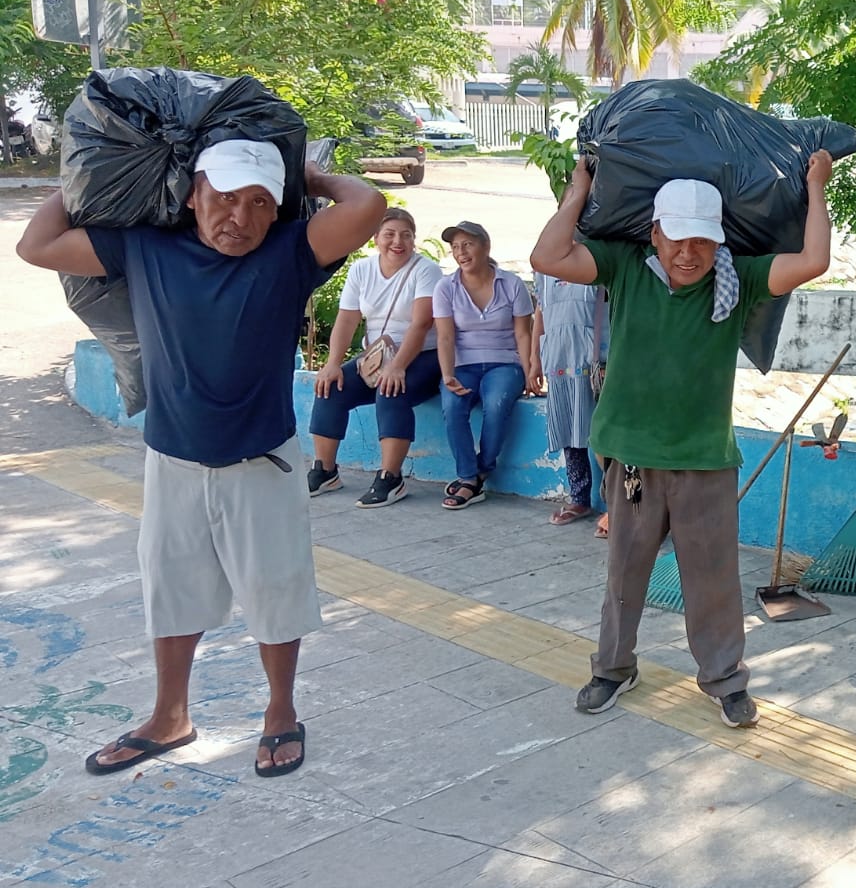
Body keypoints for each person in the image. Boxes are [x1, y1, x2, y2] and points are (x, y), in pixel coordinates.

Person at [16, 138, 386, 778]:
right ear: (193, 195)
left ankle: (279, 713)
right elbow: (36, 245)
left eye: (258, 203)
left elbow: (369, 203)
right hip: (173, 461)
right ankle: (171, 716)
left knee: (275, 590)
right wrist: (100, 175)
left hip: (260, 461)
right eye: (224, 198)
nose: (238, 217)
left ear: (277, 212)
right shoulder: (147, 247)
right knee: (171, 588)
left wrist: (310, 177)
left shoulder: (289, 254)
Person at [529, 151, 835, 728]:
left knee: (713, 579)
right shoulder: (623, 266)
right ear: (655, 234)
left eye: (702, 240)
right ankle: (613, 668)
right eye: (677, 239)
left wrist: (815, 186)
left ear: (719, 242)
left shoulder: (737, 279)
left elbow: (813, 260)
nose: (689, 253)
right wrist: (578, 187)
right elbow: (546, 256)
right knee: (624, 572)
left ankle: (724, 679)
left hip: (704, 458)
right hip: (635, 459)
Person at [308, 207, 443, 506]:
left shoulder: (425, 270)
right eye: (390, 234)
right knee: (331, 386)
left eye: (406, 235)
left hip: (422, 355)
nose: (398, 242)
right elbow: (346, 319)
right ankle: (325, 470)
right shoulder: (361, 270)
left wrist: (397, 367)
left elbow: (422, 324)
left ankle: (391, 478)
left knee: (390, 388)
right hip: (377, 356)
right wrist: (332, 364)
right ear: (375, 239)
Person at [432, 220, 537, 509]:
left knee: (497, 402)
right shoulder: (446, 287)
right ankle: (468, 476)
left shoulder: (511, 283)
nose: (461, 252)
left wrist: (529, 374)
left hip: (504, 362)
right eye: (455, 247)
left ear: (485, 246)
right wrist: (448, 374)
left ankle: (479, 472)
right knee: (452, 405)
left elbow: (522, 332)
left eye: (468, 244)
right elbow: (445, 335)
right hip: (464, 364)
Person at [532, 272, 607, 525]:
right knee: (568, 430)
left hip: (597, 360)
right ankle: (579, 498)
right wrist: (534, 361)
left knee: (604, 434)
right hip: (558, 357)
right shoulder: (543, 273)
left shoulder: (594, 264)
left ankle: (619, 505)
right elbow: (540, 316)